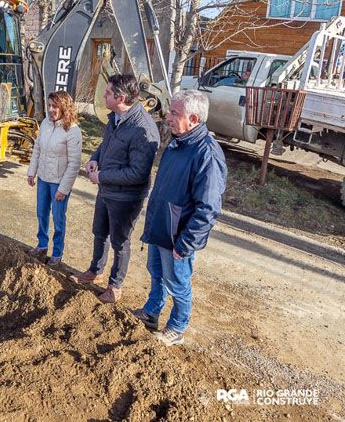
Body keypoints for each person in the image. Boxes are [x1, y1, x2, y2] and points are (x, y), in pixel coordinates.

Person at [131, 90, 227, 346]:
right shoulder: (177, 143)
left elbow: (207, 208)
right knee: (156, 273)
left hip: (177, 237)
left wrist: (185, 243)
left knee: (177, 282)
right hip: (160, 226)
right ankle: (151, 312)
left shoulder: (207, 154)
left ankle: (177, 326)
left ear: (193, 119)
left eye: (175, 113)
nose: (168, 117)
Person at [71, 74, 160, 303]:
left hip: (126, 197)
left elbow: (137, 173)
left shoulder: (143, 130)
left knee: (120, 241)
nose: (103, 95)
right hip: (107, 189)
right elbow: (107, 143)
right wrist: (95, 158)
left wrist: (102, 176)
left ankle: (115, 286)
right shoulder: (116, 118)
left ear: (120, 98)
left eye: (108, 93)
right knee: (100, 232)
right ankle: (95, 271)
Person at [26, 91, 82, 266]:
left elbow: (74, 164)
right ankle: (42, 245)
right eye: (49, 105)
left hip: (58, 182)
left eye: (55, 106)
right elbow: (37, 149)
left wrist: (63, 189)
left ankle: (57, 253)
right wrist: (31, 171)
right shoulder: (45, 123)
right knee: (41, 214)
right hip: (43, 178)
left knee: (58, 219)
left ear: (64, 107)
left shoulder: (72, 131)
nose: (51, 109)